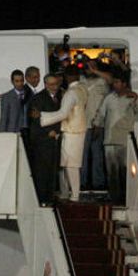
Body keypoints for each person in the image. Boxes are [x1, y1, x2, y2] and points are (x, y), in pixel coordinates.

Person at [92, 73, 138, 204]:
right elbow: (101, 114)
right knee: (111, 171)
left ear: (124, 84)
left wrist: (136, 99)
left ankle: (127, 197)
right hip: (109, 139)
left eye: (117, 82)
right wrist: (97, 128)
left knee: (125, 171)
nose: (114, 84)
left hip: (125, 140)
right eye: (114, 82)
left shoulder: (132, 98)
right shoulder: (109, 98)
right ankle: (114, 197)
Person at [39, 67, 88, 202]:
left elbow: (63, 113)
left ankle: (75, 195)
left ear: (66, 77)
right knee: (69, 163)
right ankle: (67, 193)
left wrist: (42, 118)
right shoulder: (83, 89)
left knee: (71, 164)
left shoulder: (70, 93)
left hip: (72, 130)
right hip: (79, 128)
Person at [27, 74, 62, 206]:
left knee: (53, 169)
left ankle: (50, 196)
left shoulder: (59, 97)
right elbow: (35, 119)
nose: (55, 87)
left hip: (54, 139)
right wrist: (49, 131)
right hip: (42, 139)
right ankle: (42, 198)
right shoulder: (38, 99)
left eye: (56, 84)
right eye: (52, 84)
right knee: (42, 170)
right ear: (46, 84)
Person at [79, 59, 112, 192]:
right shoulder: (81, 80)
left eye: (93, 67)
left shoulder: (102, 81)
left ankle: (98, 183)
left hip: (99, 123)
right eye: (88, 67)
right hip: (82, 123)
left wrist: (95, 71)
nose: (89, 69)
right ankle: (82, 182)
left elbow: (110, 79)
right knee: (83, 155)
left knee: (97, 155)